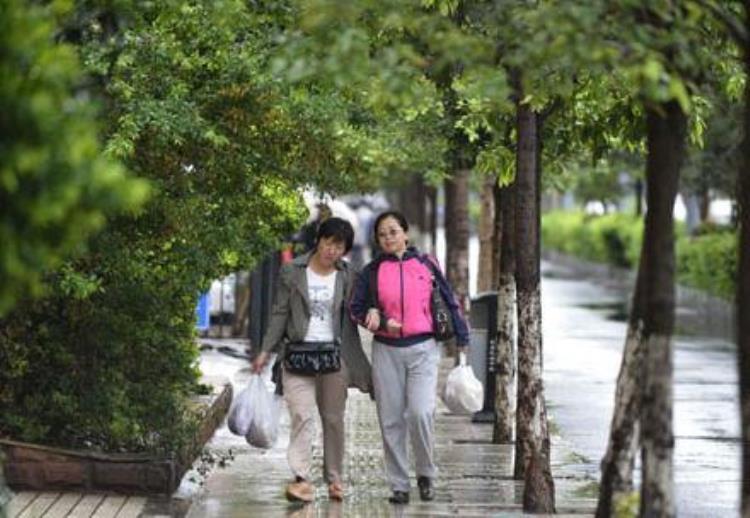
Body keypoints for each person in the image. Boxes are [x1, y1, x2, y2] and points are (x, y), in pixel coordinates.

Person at [349, 210, 470, 505]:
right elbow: (355, 308)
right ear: (376, 240)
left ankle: (426, 474)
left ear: (405, 233)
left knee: (421, 412)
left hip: (424, 349)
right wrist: (374, 317)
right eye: (382, 234)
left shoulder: (425, 264)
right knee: (390, 419)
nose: (388, 237)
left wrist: (463, 337)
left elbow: (448, 299)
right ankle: (399, 484)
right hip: (386, 351)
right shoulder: (372, 271)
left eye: (393, 231)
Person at [251, 217, 372, 503]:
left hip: (334, 357)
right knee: (302, 417)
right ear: (319, 239)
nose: (332, 250)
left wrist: (374, 312)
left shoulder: (348, 275)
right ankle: (302, 478)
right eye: (329, 242)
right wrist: (265, 350)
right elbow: (280, 313)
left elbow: (360, 307)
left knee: (333, 420)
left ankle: (334, 479)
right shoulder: (292, 271)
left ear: (345, 250)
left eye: (339, 246)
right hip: (297, 355)